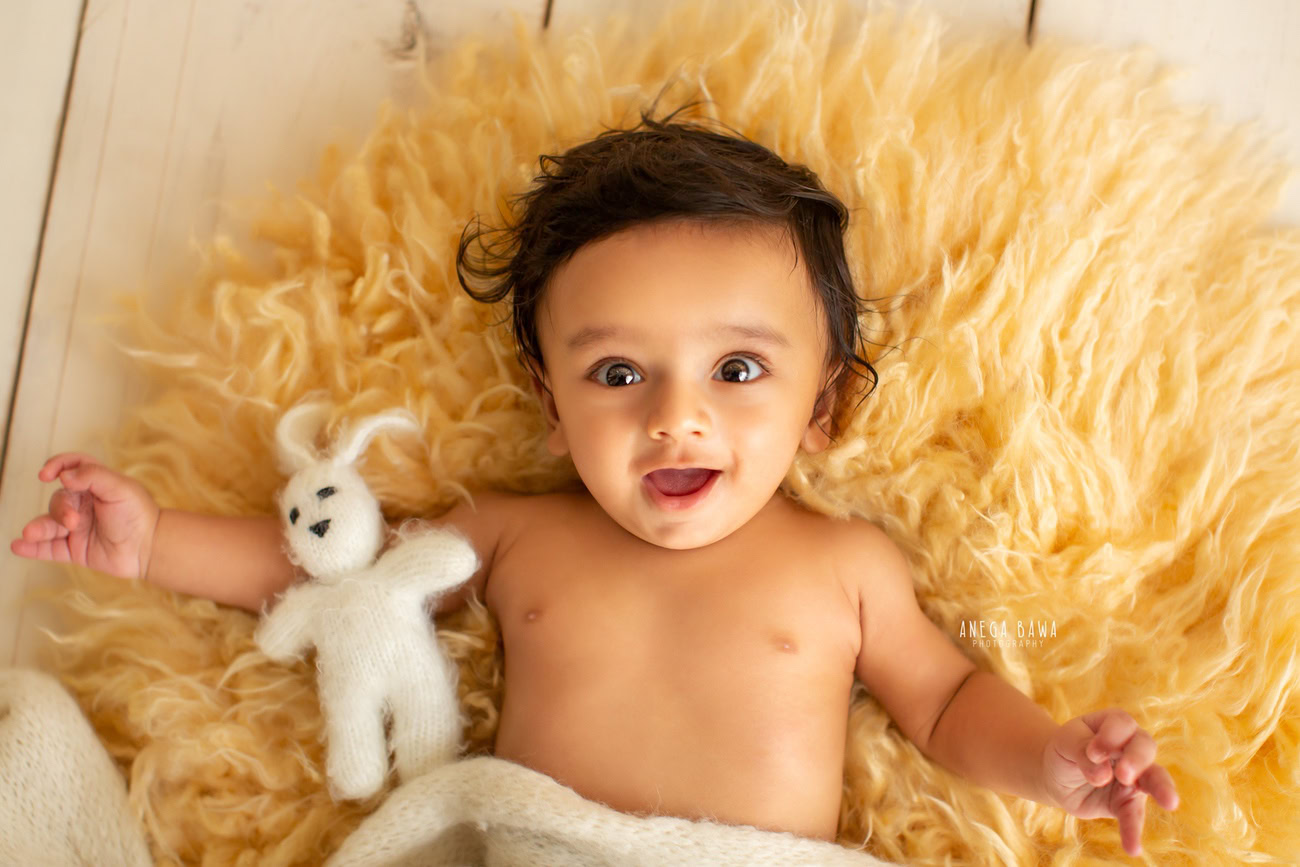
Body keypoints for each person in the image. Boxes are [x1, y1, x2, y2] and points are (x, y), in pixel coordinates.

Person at [10, 102, 1178, 857]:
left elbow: (945, 702)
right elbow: (335, 572)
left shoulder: (842, 569)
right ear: (550, 402)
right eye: (619, 372)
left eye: (735, 369)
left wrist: (1051, 761)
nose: (677, 418)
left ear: (822, 406)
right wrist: (153, 540)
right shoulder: (519, 535)